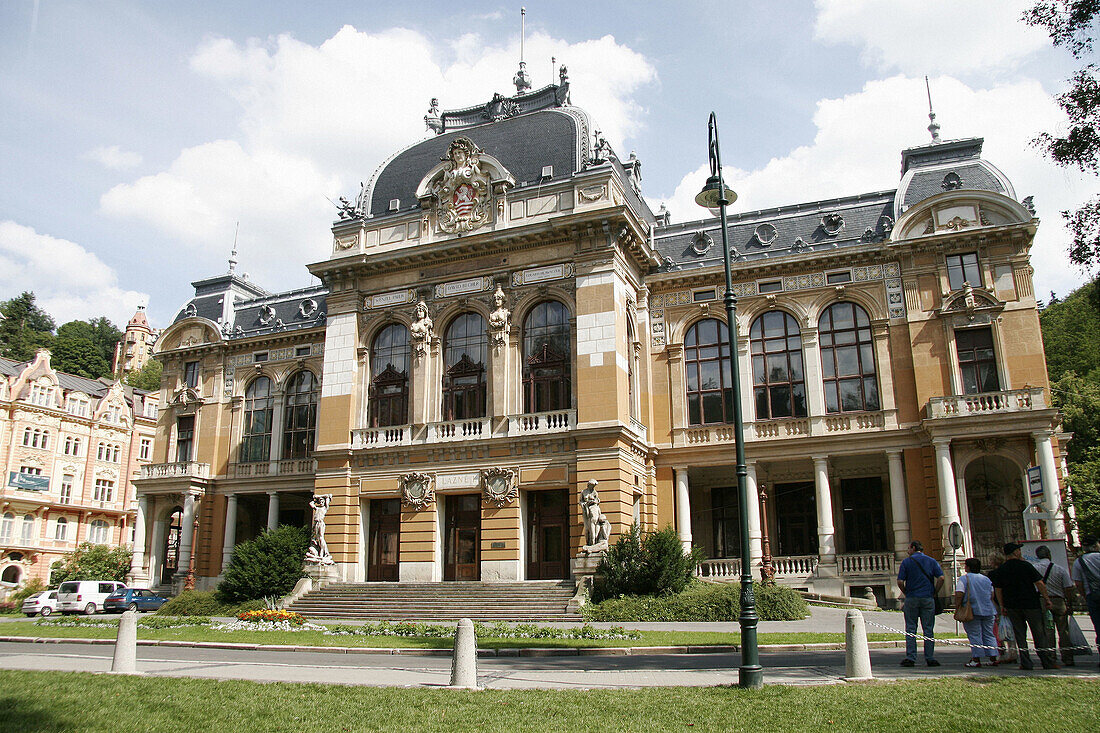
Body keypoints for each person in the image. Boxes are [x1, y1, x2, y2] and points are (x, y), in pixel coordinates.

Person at [991, 542, 1056, 670]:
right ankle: (1046, 661)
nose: (1020, 552)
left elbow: (998, 589)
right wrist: (1047, 599)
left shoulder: (1002, 569)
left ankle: (1026, 663)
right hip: (1031, 604)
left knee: (1020, 635)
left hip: (1012, 606)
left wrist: (1002, 605)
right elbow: (1039, 583)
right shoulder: (1026, 566)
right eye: (1019, 550)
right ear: (1015, 552)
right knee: (1039, 634)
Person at [896, 540, 944, 667]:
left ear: (913, 548)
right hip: (928, 598)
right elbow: (941, 578)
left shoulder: (907, 562)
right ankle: (930, 657)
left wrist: (906, 592)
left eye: (908, 549)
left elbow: (900, 581)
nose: (907, 551)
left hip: (912, 598)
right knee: (928, 629)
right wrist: (935, 591)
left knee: (911, 628)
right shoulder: (931, 561)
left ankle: (911, 657)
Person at [1033, 544, 1078, 666]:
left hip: (1042, 601)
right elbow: (1068, 587)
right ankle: (1067, 657)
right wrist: (1069, 602)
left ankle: (1050, 657)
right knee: (1063, 630)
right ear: (1049, 555)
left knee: (1047, 631)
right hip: (1058, 600)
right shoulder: (1060, 569)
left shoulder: (1034, 568)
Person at [954, 557, 998, 667]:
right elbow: (992, 594)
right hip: (988, 610)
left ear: (967, 567)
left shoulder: (964, 579)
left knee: (974, 635)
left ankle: (976, 659)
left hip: (972, 610)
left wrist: (957, 606)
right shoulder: (986, 579)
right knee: (989, 634)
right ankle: (993, 658)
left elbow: (959, 593)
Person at [1072, 535, 1100, 669]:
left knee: (1099, 628)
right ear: (1095, 546)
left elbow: (1078, 583)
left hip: (1093, 597)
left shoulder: (1079, 562)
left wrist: (1085, 595)